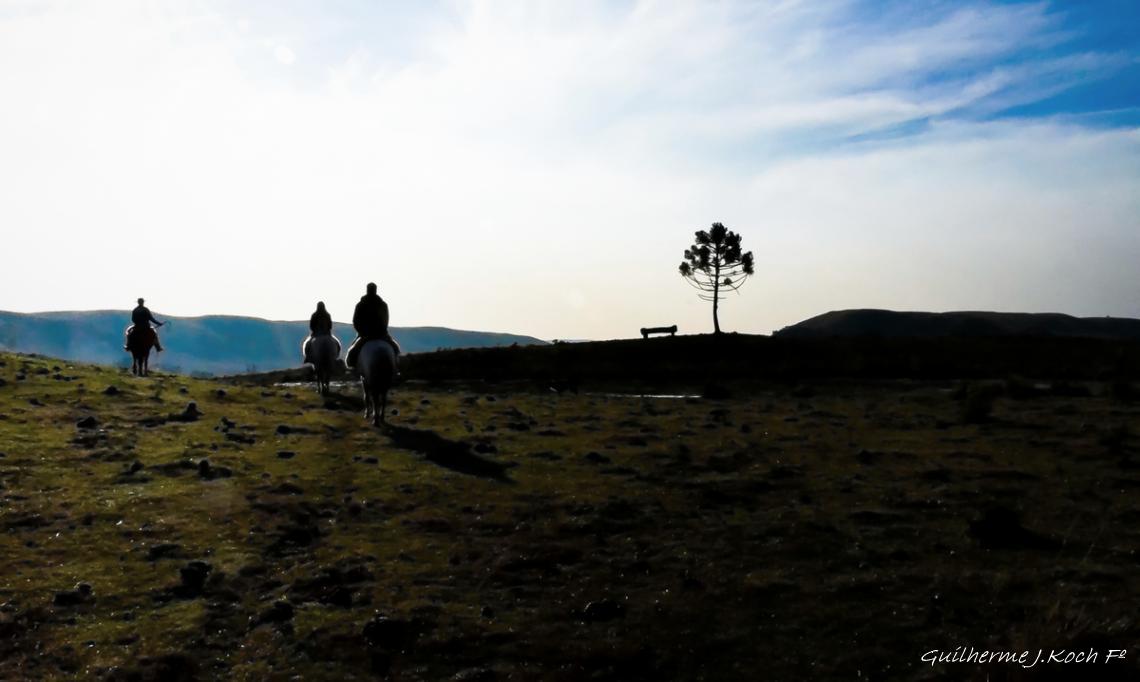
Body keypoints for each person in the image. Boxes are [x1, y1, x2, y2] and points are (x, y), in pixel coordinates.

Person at [345, 282, 400, 369]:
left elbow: (356, 321)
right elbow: (386, 319)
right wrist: (383, 329)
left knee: (352, 352)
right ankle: (397, 367)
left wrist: (361, 331)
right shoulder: (383, 304)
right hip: (382, 334)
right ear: (375, 290)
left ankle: (353, 367)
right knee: (395, 348)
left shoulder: (360, 304)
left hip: (365, 335)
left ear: (367, 290)